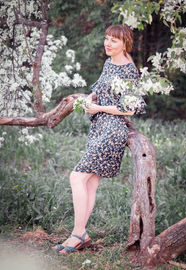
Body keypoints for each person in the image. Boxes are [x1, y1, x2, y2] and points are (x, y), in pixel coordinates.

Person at [52, 24, 145, 254]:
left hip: (113, 130)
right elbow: (101, 89)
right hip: (98, 128)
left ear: (125, 44)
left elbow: (130, 109)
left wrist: (98, 107)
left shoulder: (129, 70)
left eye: (114, 40)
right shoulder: (109, 62)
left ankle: (76, 234)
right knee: (90, 182)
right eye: (106, 38)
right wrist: (90, 98)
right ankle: (80, 234)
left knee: (77, 177)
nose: (108, 43)